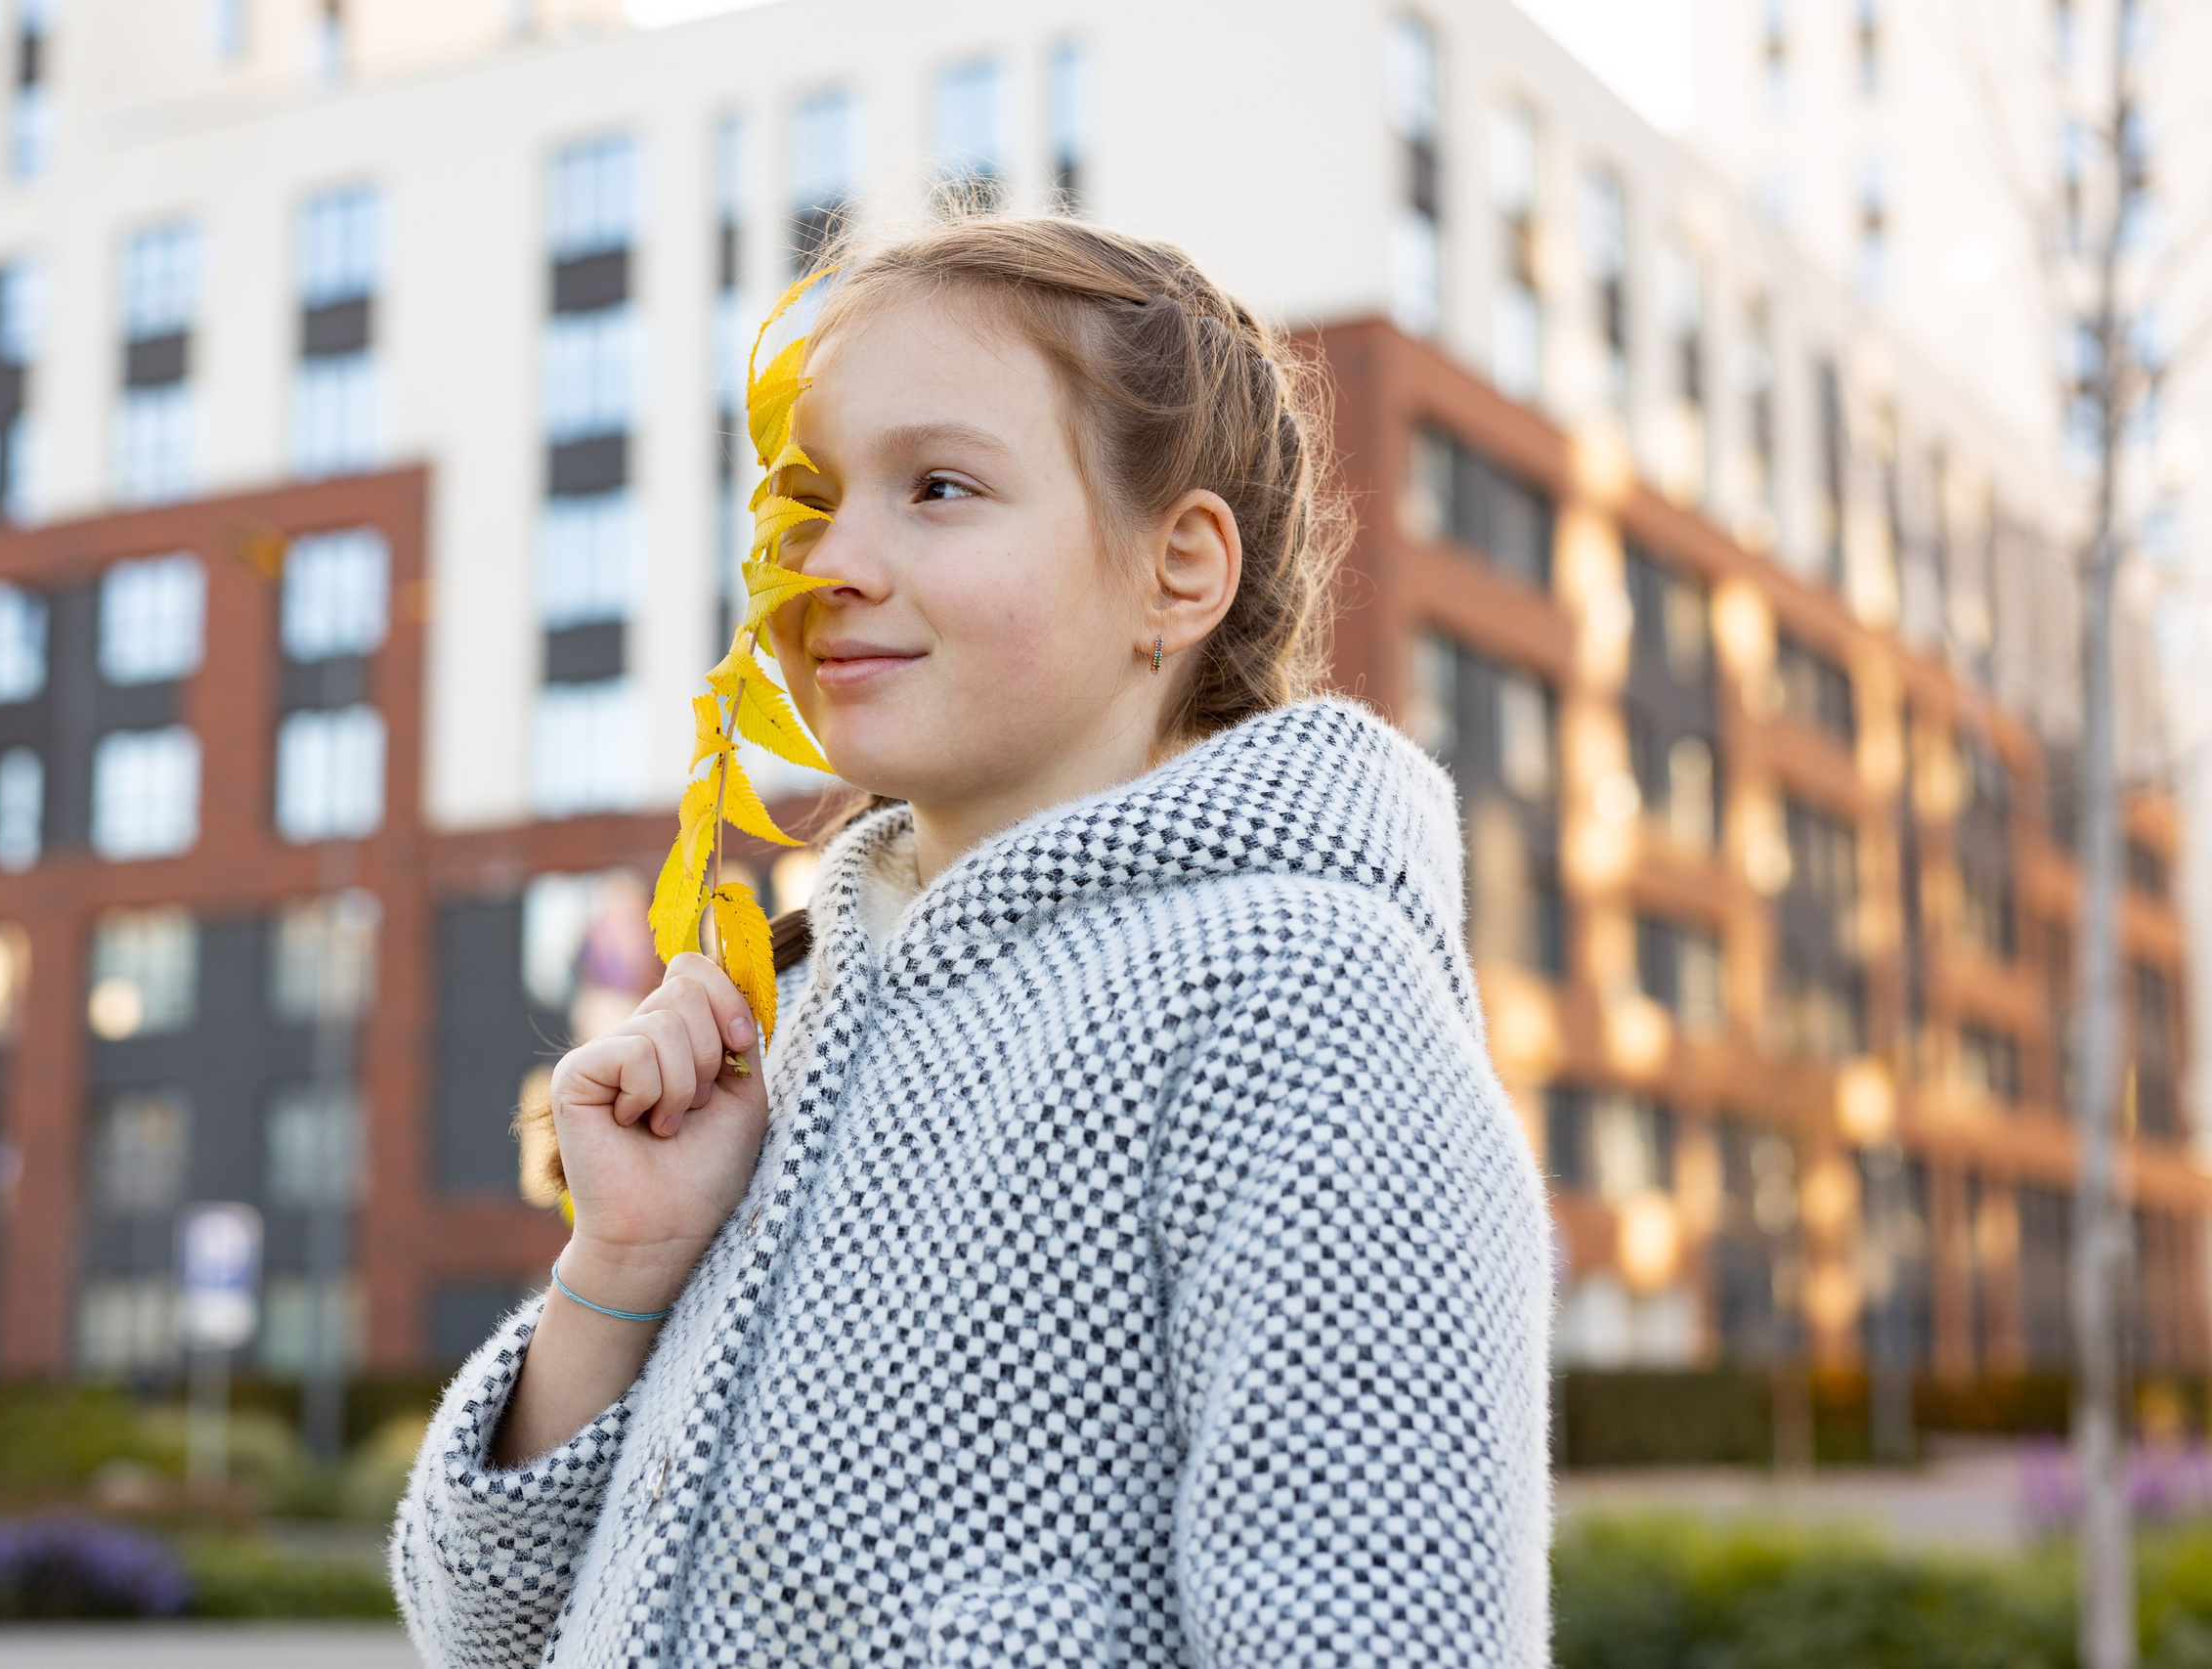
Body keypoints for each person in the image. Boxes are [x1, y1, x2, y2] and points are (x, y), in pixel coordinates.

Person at [391, 216, 1552, 1667]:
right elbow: (479, 1636)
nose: (829, 564)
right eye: (806, 502)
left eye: (939, 487)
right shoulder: (787, 1016)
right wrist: (621, 1266)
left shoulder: (1299, 1007)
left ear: (1177, 572)